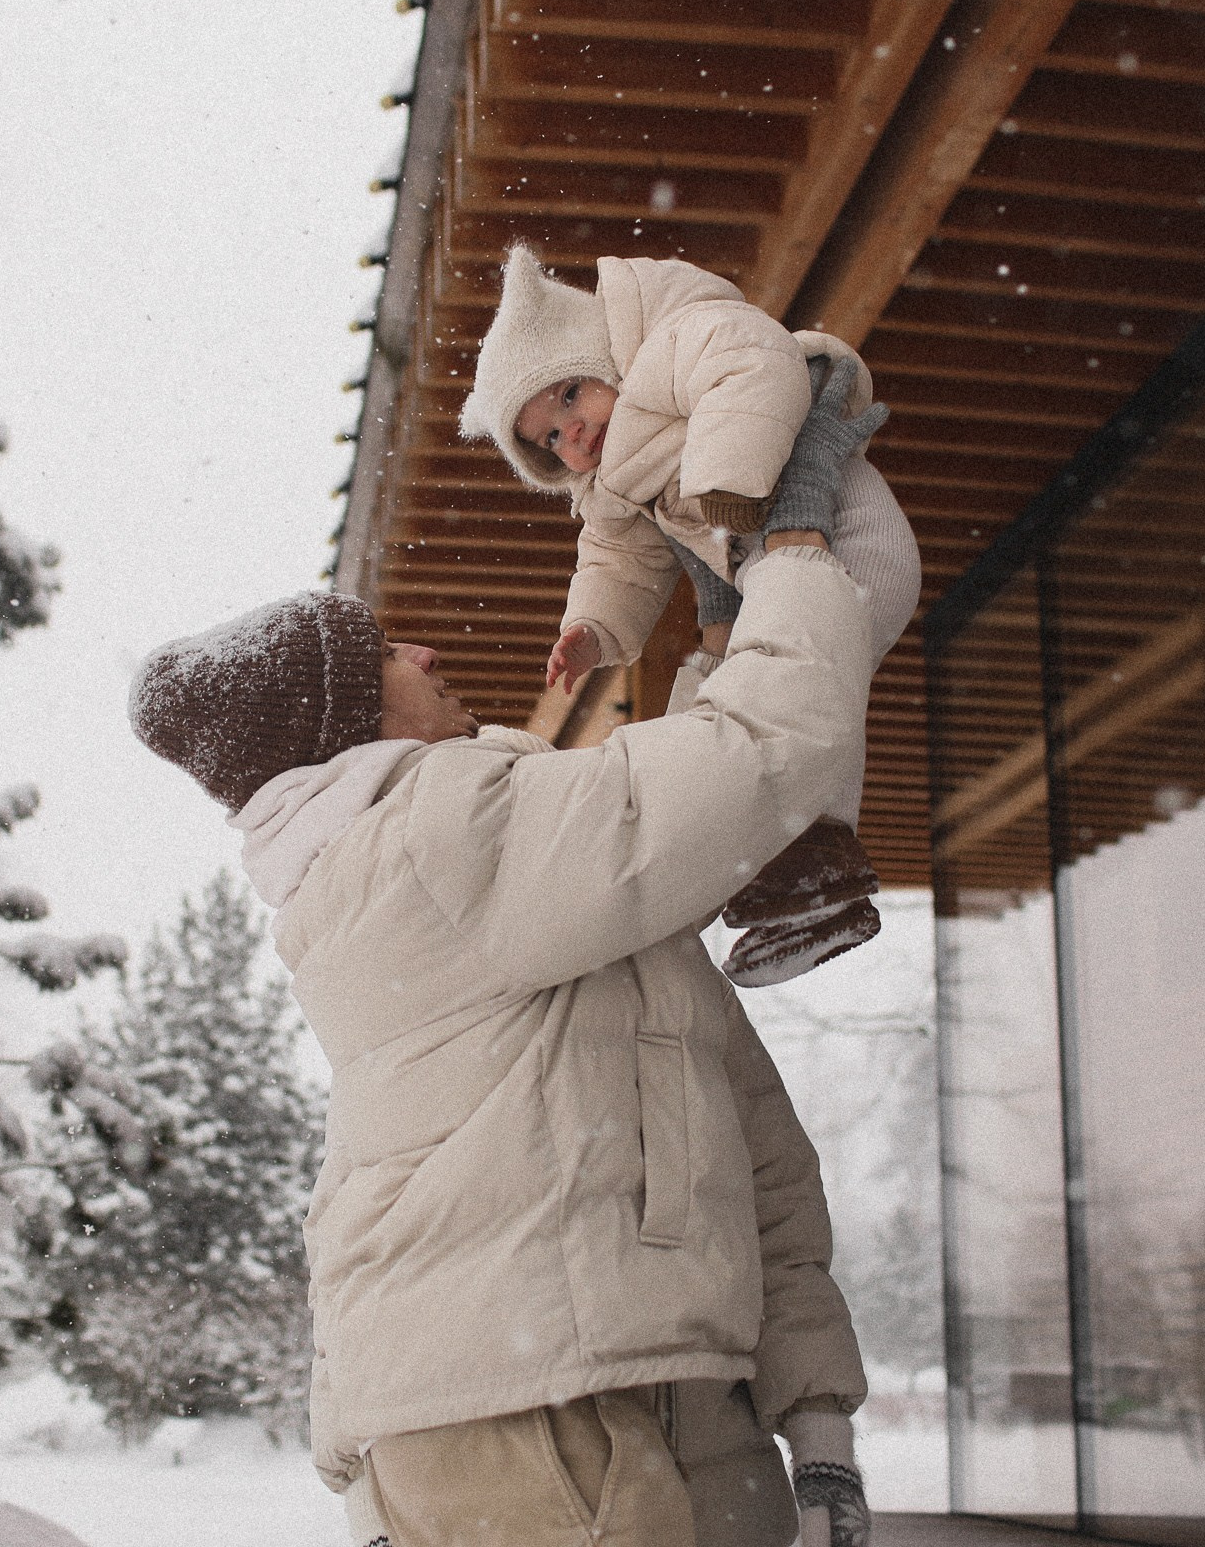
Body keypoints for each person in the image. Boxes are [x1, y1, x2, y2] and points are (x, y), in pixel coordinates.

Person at [126, 381, 884, 1547]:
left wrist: (816, 1414)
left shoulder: (533, 877)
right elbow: (762, 749)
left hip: (643, 1389)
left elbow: (744, 1139)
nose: (422, 647)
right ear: (341, 728)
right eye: (383, 650)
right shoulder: (440, 839)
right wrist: (791, 540)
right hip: (528, 1415)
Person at [456, 245, 920, 985]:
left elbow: (756, 361)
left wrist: (727, 478)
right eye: (549, 437)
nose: (572, 433)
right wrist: (592, 631)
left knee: (783, 705)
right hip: (789, 574)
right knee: (772, 705)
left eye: (571, 395)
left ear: (603, 356)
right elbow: (616, 558)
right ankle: (799, 877)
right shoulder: (613, 483)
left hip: (850, 538)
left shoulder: (671, 347)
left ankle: (781, 868)